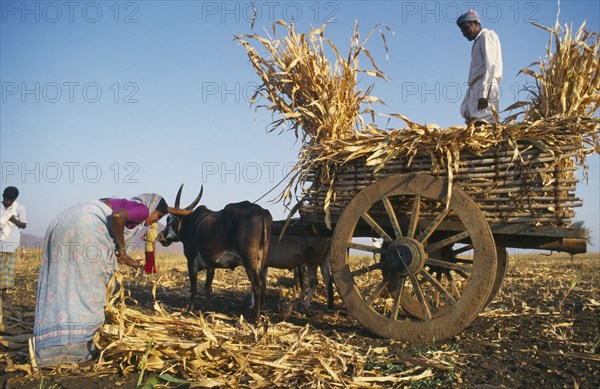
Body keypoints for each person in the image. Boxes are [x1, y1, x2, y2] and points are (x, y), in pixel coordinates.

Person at [33, 193, 190, 367]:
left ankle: (50, 351)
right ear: (153, 209)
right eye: (158, 217)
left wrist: (130, 260)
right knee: (89, 288)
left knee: (62, 285)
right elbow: (118, 216)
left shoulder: (123, 205)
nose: (154, 222)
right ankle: (79, 352)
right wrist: (122, 250)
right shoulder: (143, 209)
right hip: (86, 229)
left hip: (64, 221)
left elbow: (118, 227)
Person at [457, 10, 503, 125]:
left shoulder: (486, 35)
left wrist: (484, 94)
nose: (464, 33)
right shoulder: (477, 41)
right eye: (462, 31)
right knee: (472, 120)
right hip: (476, 87)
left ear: (476, 23)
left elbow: (491, 65)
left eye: (466, 28)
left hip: (485, 86)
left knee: (483, 121)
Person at [0, 186, 27, 308]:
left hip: (11, 243)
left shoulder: (19, 208)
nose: (7, 201)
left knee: (7, 270)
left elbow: (24, 225)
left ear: (14, 200)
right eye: (6, 199)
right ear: (3, 196)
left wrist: (14, 221)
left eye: (10, 200)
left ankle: (4, 293)